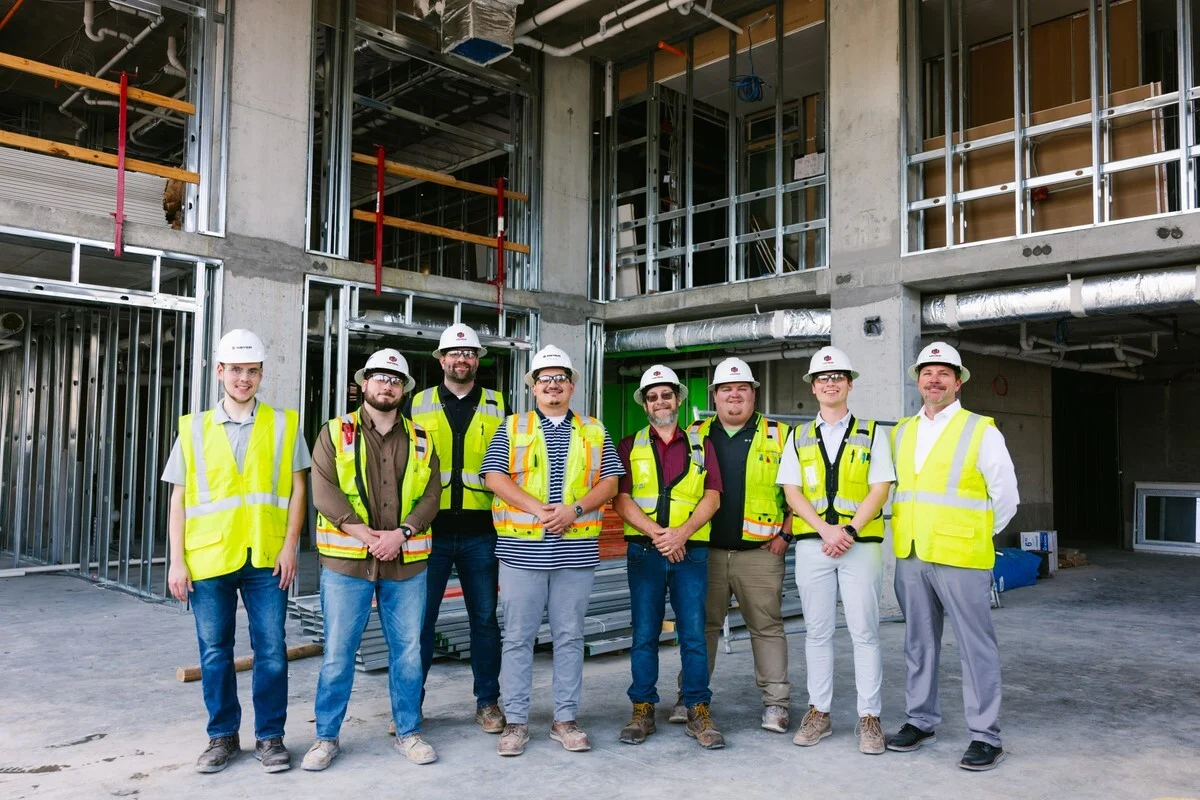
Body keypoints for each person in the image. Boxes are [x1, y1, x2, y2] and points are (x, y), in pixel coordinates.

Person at [164, 328, 309, 774]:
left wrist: (290, 549)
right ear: (220, 372)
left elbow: (298, 490)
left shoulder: (285, 424)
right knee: (214, 651)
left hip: (267, 559)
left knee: (271, 650)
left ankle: (270, 737)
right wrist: (176, 560)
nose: (243, 379)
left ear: (261, 373)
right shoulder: (193, 428)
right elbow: (179, 498)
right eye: (235, 370)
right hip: (209, 559)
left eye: (251, 371)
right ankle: (222, 736)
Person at [302, 349, 442, 770]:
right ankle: (326, 738)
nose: (387, 385)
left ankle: (408, 732)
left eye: (395, 380)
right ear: (364, 384)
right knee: (338, 655)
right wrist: (367, 537)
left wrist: (401, 534)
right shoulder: (335, 432)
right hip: (347, 566)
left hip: (407, 564)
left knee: (408, 654)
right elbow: (324, 490)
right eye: (379, 378)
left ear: (404, 390)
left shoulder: (421, 438)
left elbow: (432, 494)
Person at [480, 345, 623, 757]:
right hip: (521, 551)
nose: (553, 385)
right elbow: (493, 475)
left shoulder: (594, 429)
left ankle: (565, 719)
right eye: (545, 379)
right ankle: (517, 722)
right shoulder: (513, 425)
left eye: (560, 378)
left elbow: (610, 482)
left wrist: (573, 510)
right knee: (519, 639)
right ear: (534, 387)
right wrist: (538, 510)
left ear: (572, 385)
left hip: (575, 553)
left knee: (569, 637)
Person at [885, 342, 1019, 772]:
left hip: (961, 556)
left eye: (944, 373)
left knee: (974, 647)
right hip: (911, 553)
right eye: (927, 372)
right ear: (918, 381)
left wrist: (973, 533)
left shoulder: (981, 430)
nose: (934, 380)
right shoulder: (902, 431)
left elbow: (1007, 498)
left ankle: (985, 735)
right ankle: (920, 721)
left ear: (958, 381)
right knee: (918, 644)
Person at [776, 346, 894, 755]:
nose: (830, 383)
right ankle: (819, 712)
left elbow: (880, 488)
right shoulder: (798, 435)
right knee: (818, 632)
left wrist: (848, 529)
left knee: (864, 632)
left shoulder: (874, 433)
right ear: (813, 386)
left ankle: (869, 718)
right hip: (814, 545)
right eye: (823, 378)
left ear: (849, 383)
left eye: (838, 376)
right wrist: (826, 530)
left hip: (859, 545)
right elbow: (792, 492)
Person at [677, 357, 792, 734]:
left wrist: (785, 535)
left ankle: (776, 703)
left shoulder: (779, 434)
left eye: (742, 388)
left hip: (759, 553)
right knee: (700, 627)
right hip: (705, 552)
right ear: (715, 395)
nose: (734, 395)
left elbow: (798, 492)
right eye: (726, 389)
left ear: (754, 394)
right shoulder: (694, 433)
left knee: (767, 626)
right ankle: (691, 698)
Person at [614, 366, 725, 749]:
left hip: (690, 551)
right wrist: (658, 535)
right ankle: (642, 708)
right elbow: (621, 498)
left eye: (666, 395)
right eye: (652, 396)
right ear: (644, 404)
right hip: (645, 552)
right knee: (644, 633)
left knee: (693, 634)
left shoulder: (701, 444)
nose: (660, 401)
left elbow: (713, 495)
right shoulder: (629, 445)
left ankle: (697, 708)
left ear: (679, 399)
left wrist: (681, 533)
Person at [410, 323, 506, 733]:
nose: (461, 360)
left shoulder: (499, 405)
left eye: (469, 354)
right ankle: (410, 704)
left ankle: (487, 702)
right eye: (454, 353)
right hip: (429, 530)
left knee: (484, 620)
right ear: (442, 359)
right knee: (421, 622)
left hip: (481, 530)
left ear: (477, 359)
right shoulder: (418, 403)